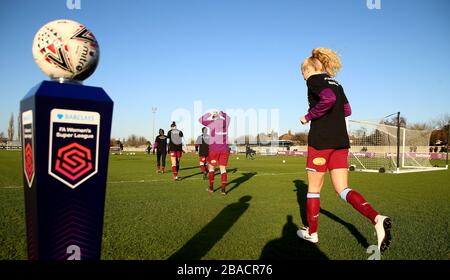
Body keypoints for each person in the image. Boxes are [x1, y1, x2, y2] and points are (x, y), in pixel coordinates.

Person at [297, 47, 392, 253]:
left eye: (301, 72)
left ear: (309, 69)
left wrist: (308, 116)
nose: (302, 76)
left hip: (321, 141)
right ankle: (377, 218)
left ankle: (312, 233)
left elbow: (328, 100)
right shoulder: (337, 83)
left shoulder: (313, 80)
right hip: (341, 141)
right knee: (343, 190)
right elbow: (347, 110)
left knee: (313, 190)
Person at [199, 111, 231, 195]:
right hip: (224, 150)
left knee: (211, 168)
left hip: (214, 150)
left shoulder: (212, 123)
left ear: (213, 118)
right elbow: (228, 117)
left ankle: (211, 188)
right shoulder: (225, 122)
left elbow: (200, 119)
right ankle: (223, 190)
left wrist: (209, 113)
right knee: (223, 169)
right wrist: (221, 113)